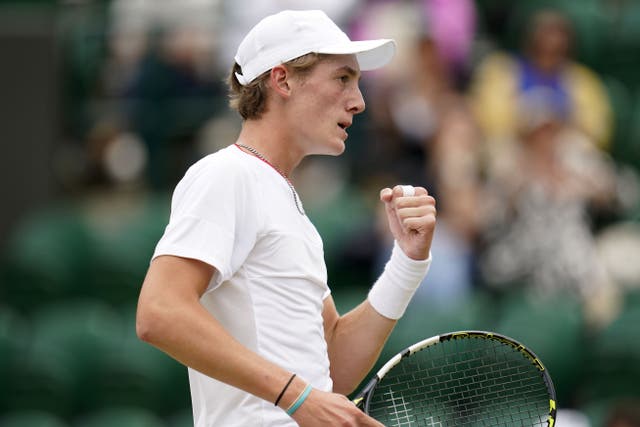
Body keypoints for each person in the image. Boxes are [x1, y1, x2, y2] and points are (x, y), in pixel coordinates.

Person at [136, 9, 436, 427]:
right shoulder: (228, 174)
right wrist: (298, 398)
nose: (359, 101)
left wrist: (407, 264)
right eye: (342, 78)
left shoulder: (285, 200)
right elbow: (159, 312)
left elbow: (332, 367)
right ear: (283, 80)